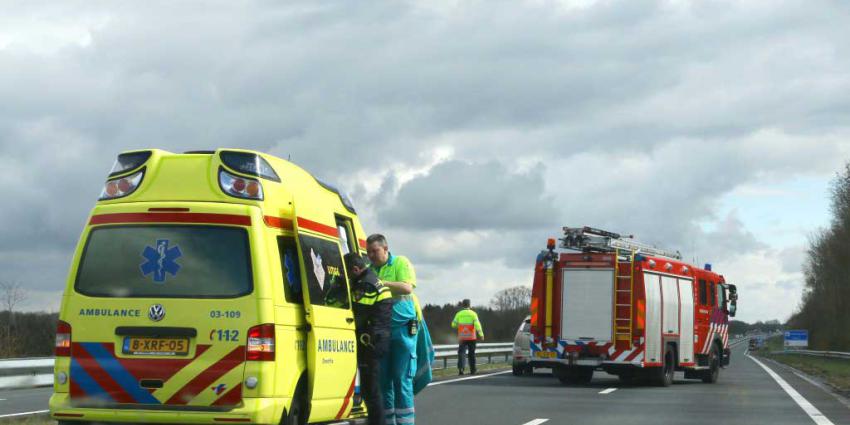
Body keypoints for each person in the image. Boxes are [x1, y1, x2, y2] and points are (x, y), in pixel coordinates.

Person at [367, 234, 418, 425]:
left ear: (385, 248)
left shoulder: (400, 263)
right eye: (368, 252)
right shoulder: (370, 270)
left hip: (402, 329)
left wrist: (381, 284)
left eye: (375, 251)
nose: (371, 255)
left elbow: (406, 288)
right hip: (380, 331)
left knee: (401, 379)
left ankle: (405, 423)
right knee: (384, 381)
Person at [343, 253, 393, 425]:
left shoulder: (366, 285)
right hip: (378, 339)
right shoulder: (374, 280)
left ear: (355, 269)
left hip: (370, 342)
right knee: (371, 388)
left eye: (348, 273)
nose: (348, 277)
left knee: (370, 390)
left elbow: (358, 316)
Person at [451, 299, 484, 375]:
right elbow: (477, 325)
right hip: (471, 337)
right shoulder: (473, 314)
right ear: (470, 305)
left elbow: (453, 325)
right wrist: (481, 334)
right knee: (471, 353)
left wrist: (459, 326)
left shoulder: (459, 314)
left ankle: (461, 369)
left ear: (463, 305)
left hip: (462, 337)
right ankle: (473, 370)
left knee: (461, 353)